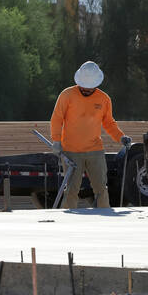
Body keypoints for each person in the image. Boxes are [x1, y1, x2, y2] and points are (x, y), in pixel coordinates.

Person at [49, 61, 130, 209]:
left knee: (101, 189)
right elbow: (57, 118)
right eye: (83, 87)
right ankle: (66, 222)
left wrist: (120, 137)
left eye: (89, 88)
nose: (86, 90)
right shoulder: (67, 95)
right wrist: (56, 140)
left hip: (95, 151)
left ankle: (105, 217)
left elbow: (109, 123)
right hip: (71, 151)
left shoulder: (104, 99)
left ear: (96, 84)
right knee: (72, 190)